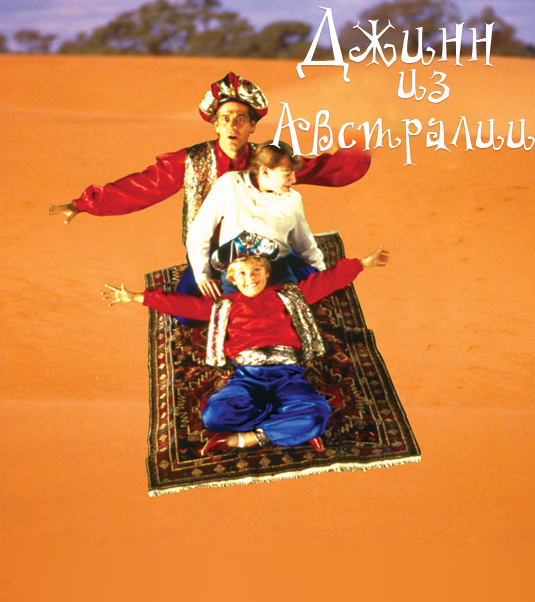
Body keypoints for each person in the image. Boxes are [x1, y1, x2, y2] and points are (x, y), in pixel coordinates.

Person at [49, 71, 371, 297]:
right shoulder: (190, 160)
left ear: (252, 126)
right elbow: (145, 185)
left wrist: (362, 150)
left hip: (266, 253)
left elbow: (317, 168)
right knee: (188, 313)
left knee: (308, 288)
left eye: (240, 119)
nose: (232, 126)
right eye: (225, 119)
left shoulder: (266, 159)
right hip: (213, 254)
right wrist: (84, 203)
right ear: (216, 124)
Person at [102, 245, 388, 455]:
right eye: (241, 273)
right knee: (214, 416)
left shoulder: (287, 295)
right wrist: (136, 297)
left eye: (256, 271)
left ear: (266, 273)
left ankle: (248, 438)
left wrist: (362, 263)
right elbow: (183, 305)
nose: (250, 277)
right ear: (232, 279)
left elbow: (327, 282)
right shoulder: (224, 305)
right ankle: (286, 424)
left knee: (318, 412)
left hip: (288, 375)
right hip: (248, 378)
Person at [187, 141, 327, 298]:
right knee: (225, 308)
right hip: (236, 268)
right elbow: (200, 231)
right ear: (265, 171)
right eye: (287, 173)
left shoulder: (293, 200)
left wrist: (322, 272)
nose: (293, 180)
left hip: (277, 269)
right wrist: (203, 275)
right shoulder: (230, 184)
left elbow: (304, 242)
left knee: (296, 303)